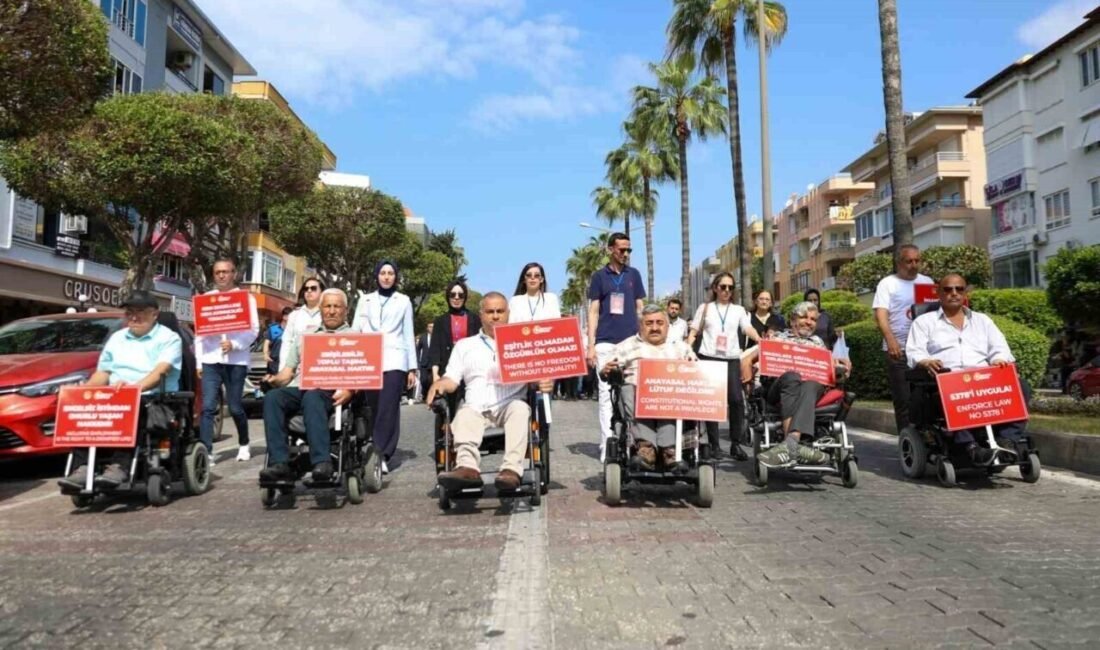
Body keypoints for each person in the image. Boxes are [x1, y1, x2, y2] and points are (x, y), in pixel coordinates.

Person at [428, 293, 553, 491]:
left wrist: (543, 382)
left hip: (509, 404)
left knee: (521, 409)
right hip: (476, 407)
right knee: (464, 414)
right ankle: (467, 468)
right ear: (481, 315)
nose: (495, 316)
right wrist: (440, 385)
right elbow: (451, 378)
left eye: (500, 311)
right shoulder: (465, 346)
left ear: (508, 314)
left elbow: (537, 378)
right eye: (490, 312)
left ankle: (511, 471)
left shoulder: (523, 343)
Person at [58, 291, 183, 489]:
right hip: (114, 395)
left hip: (150, 397)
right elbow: (103, 373)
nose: (134, 317)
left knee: (131, 409)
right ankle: (82, 467)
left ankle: (119, 466)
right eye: (129, 312)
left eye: (140, 311)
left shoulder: (169, 338)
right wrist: (82, 390)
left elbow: (161, 371)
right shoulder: (117, 338)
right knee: (85, 410)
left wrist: (132, 389)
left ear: (155, 314)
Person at [906, 273, 1024, 464]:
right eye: (948, 289)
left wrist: (999, 359)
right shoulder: (924, 322)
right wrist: (925, 361)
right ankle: (971, 447)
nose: (954, 293)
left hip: (983, 379)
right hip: (949, 381)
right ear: (938, 293)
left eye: (959, 289)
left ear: (965, 292)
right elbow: (914, 352)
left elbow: (999, 348)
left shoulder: (982, 320)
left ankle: (1007, 441)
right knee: (948, 395)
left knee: (1021, 387)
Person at [259, 289, 356, 483]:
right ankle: (280, 463)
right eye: (327, 306)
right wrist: (273, 380)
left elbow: (363, 374)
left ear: (346, 311)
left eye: (337, 306)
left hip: (331, 390)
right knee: (273, 397)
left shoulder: (356, 337)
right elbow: (287, 374)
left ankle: (322, 462)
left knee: (312, 395)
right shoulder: (305, 336)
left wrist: (350, 390)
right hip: (301, 385)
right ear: (321, 309)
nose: (331, 311)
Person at [742, 301, 852, 468]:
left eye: (813, 319)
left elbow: (831, 369)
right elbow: (747, 359)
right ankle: (794, 446)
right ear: (793, 320)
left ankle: (791, 444)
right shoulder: (777, 338)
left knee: (811, 383)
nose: (809, 322)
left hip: (811, 386)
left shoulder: (818, 343)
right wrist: (748, 374)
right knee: (793, 377)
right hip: (779, 387)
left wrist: (842, 367)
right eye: (804, 317)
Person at [600, 304, 696, 471]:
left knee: (674, 395)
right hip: (637, 394)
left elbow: (698, 369)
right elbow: (605, 369)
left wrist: (691, 368)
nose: (655, 328)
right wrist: (606, 370)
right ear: (641, 325)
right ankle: (646, 447)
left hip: (671, 396)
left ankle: (669, 449)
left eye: (659, 323)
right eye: (649, 323)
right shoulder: (626, 346)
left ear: (667, 325)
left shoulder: (680, 347)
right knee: (628, 389)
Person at [686, 272, 760, 460]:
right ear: (715, 288)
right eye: (723, 287)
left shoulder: (739, 310)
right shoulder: (705, 308)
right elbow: (695, 331)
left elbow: (747, 328)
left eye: (730, 287)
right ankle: (714, 445)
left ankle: (736, 444)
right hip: (708, 358)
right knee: (711, 402)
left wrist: (760, 339)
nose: (727, 291)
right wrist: (687, 347)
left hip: (731, 359)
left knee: (736, 400)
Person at [587, 232, 646, 462]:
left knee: (632, 392)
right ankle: (607, 444)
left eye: (629, 250)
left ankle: (634, 442)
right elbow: (593, 311)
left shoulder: (634, 275)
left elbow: (640, 307)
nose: (626, 254)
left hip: (630, 343)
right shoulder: (599, 277)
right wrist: (590, 346)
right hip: (605, 342)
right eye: (622, 249)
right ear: (611, 249)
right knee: (605, 395)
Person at [352, 260, 416, 474]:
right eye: (383, 273)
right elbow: (356, 329)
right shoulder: (365, 300)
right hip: (368, 358)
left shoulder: (404, 301)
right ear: (376, 275)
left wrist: (411, 368)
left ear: (396, 277)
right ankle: (370, 448)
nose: (387, 277)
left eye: (390, 273)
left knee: (389, 407)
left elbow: (408, 333)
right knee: (372, 407)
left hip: (395, 360)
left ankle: (383, 453)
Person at [196, 258, 259, 464]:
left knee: (235, 407)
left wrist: (235, 344)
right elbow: (199, 333)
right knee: (207, 407)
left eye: (226, 272)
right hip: (211, 360)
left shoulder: (245, 298)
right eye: (218, 272)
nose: (222, 275)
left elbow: (253, 330)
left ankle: (244, 443)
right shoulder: (206, 299)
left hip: (236, 362)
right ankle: (207, 451)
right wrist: (199, 362)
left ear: (234, 274)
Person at [872, 244, 932, 434]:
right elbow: (881, 315)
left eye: (917, 261)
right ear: (899, 263)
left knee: (926, 398)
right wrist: (890, 340)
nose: (913, 265)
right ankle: (907, 441)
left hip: (924, 351)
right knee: (904, 399)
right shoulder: (887, 284)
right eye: (909, 261)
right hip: (899, 350)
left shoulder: (927, 282)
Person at [428, 279, 482, 385]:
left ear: (465, 297)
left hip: (470, 371)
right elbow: (435, 350)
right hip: (446, 371)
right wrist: (435, 374)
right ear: (448, 297)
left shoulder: (475, 319)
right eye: (453, 294)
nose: (456, 298)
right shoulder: (440, 321)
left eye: (460, 295)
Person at [280, 278, 325, 371]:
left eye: (313, 288)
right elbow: (287, 342)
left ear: (322, 292)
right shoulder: (294, 315)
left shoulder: (328, 314)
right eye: (306, 288)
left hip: (322, 367)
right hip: (297, 369)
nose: (309, 291)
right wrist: (283, 369)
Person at [264, 307, 292, 374]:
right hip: (274, 361)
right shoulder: (273, 328)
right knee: (272, 381)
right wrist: (265, 354)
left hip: (288, 361)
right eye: (290, 316)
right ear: (284, 317)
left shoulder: (293, 329)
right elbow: (266, 342)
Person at [416, 322, 435, 402]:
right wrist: (417, 361)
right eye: (430, 327)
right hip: (424, 363)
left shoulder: (437, 337)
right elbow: (418, 349)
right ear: (427, 328)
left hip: (433, 363)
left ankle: (429, 396)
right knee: (423, 380)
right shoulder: (423, 337)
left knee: (431, 380)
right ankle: (425, 393)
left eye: (433, 327)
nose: (431, 328)